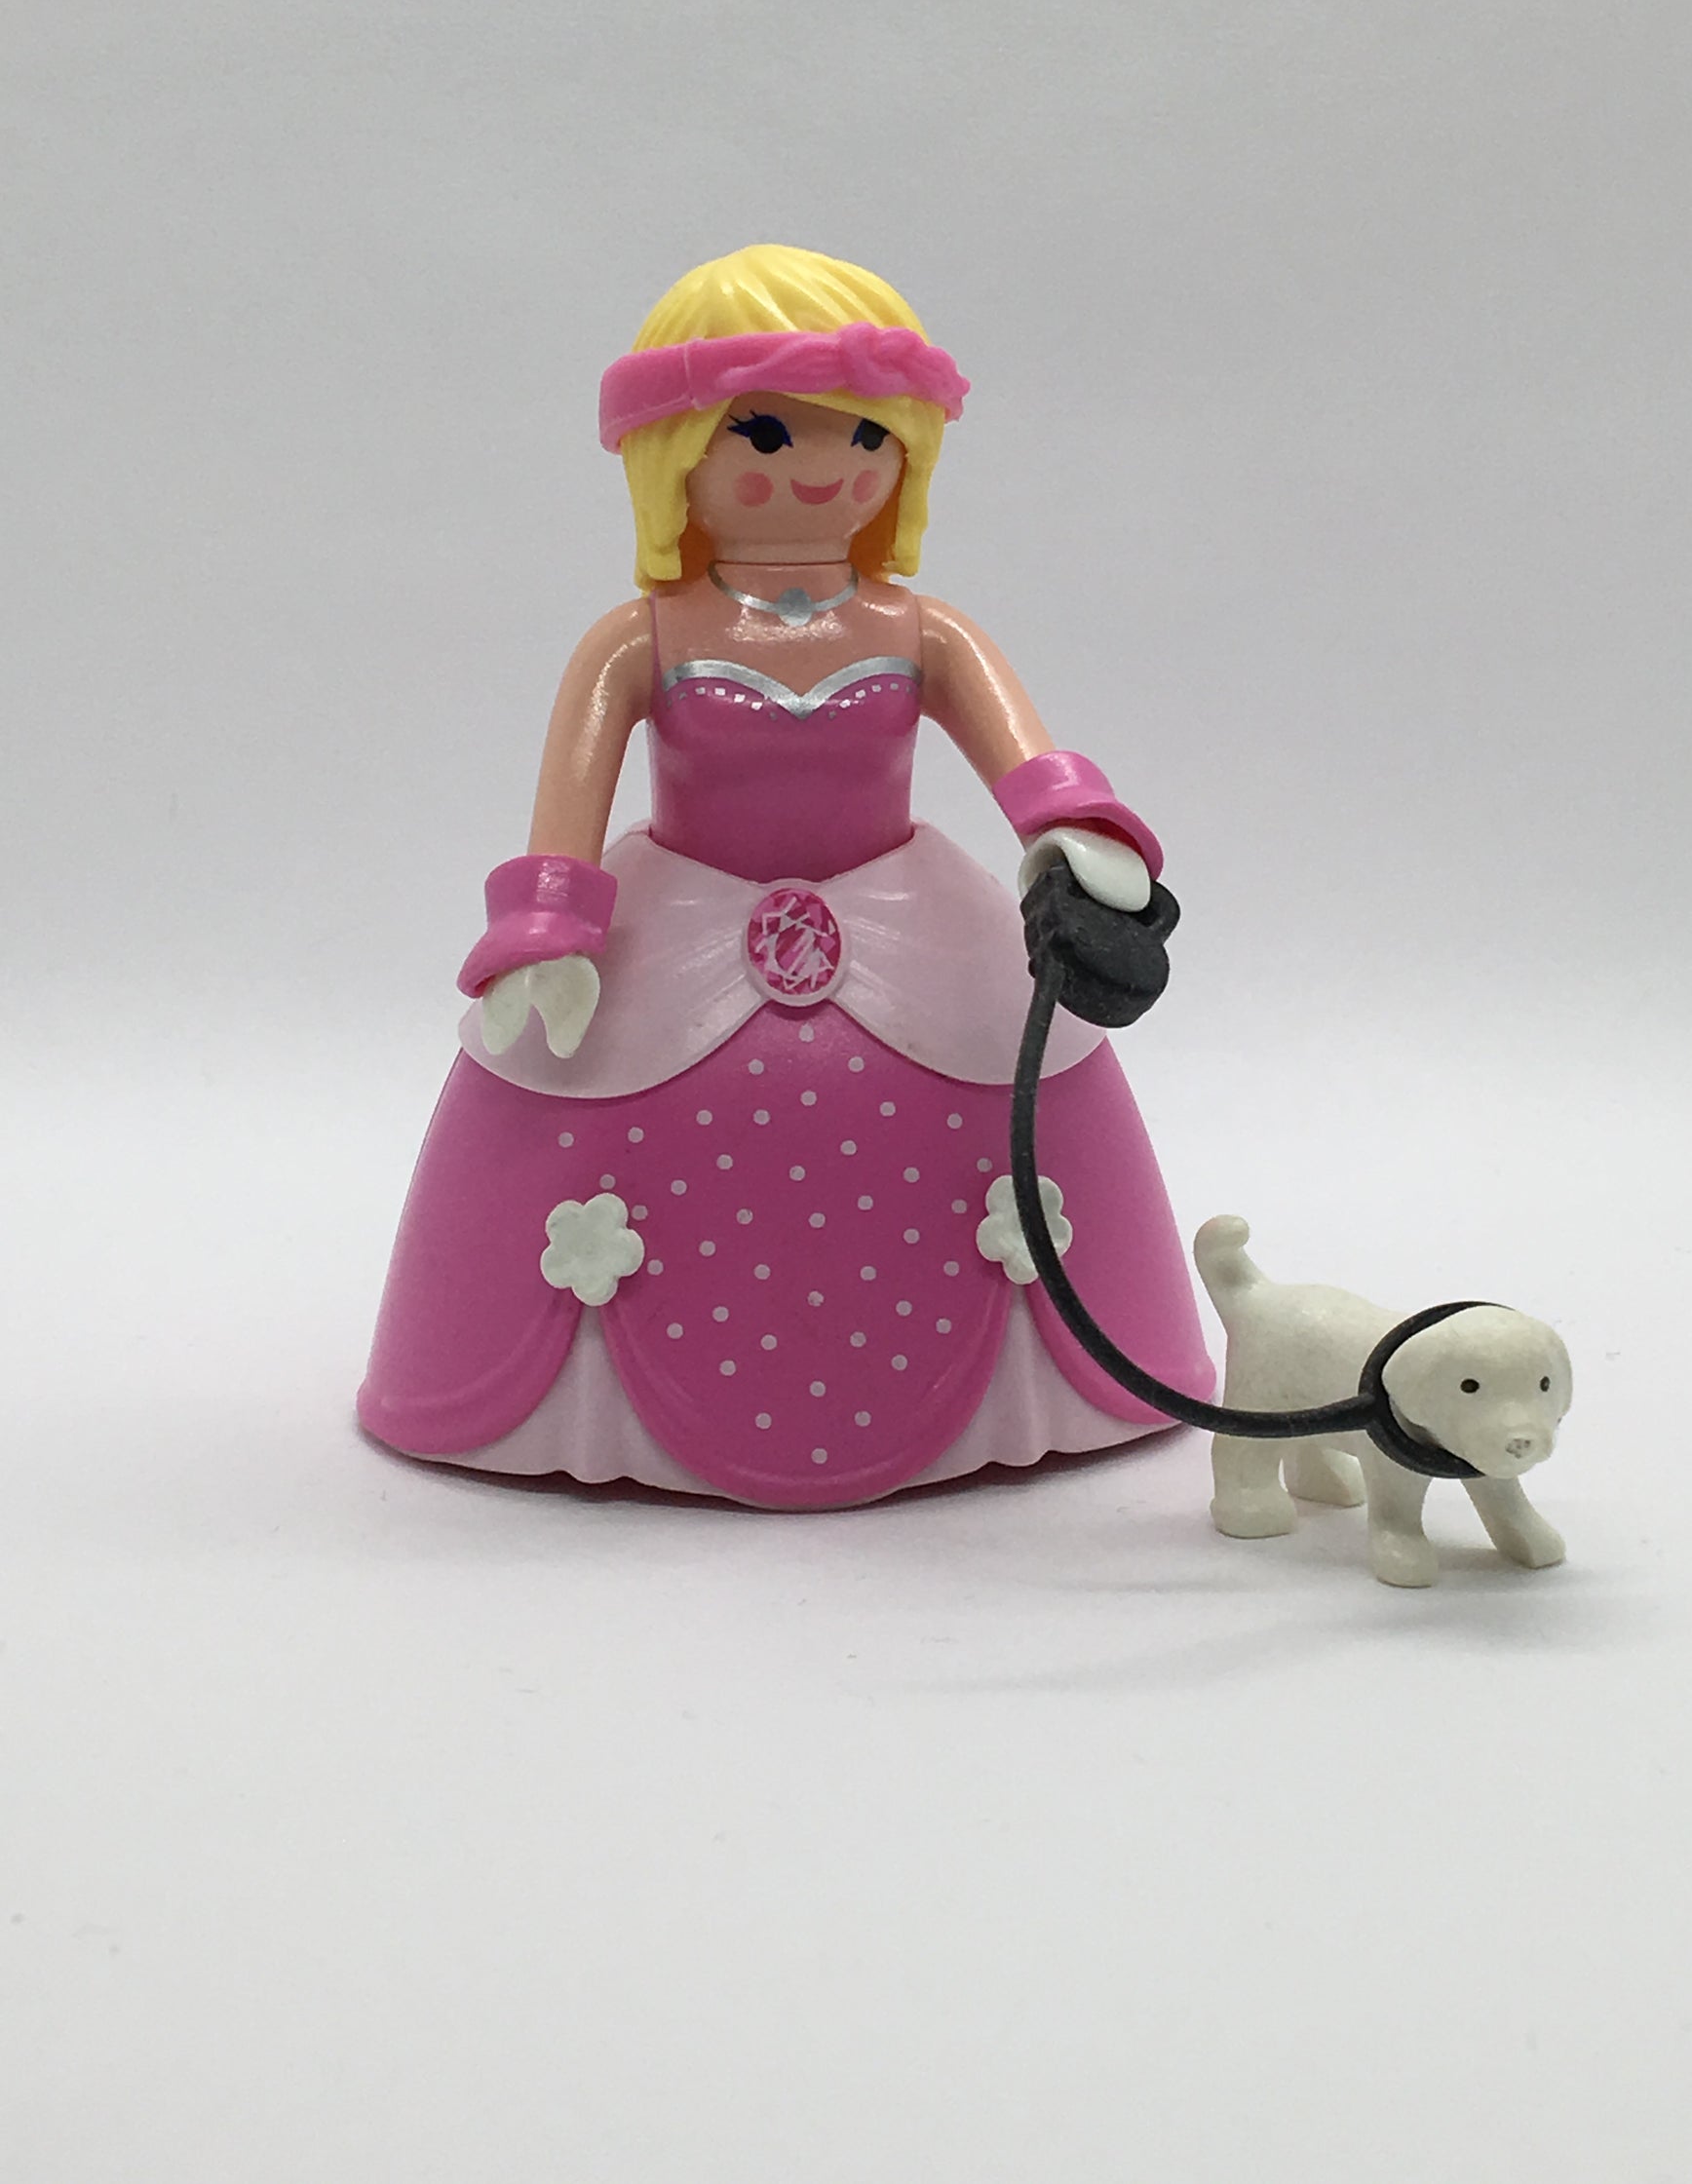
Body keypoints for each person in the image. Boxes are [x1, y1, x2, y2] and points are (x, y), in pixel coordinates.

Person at [358, 245, 1211, 1507]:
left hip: (913, 928)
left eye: (865, 434)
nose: (821, 468)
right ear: (675, 455)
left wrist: (1076, 837)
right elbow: (567, 807)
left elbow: (1030, 764)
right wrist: (547, 930)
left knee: (1004, 1132)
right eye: (760, 432)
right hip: (678, 932)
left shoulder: (922, 630)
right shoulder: (640, 640)